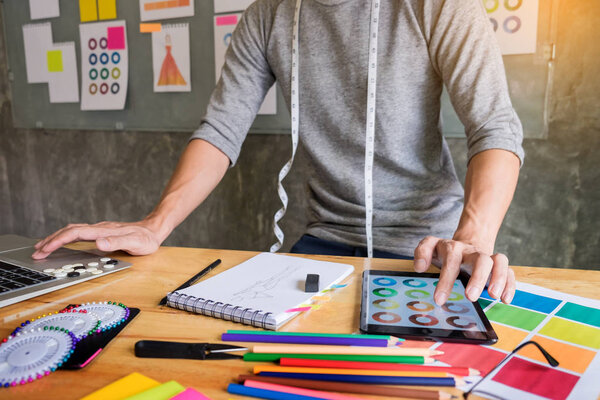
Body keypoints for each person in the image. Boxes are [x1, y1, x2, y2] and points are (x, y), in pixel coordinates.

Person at [32, 0, 523, 306]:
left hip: (424, 247)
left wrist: (473, 238)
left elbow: (494, 125)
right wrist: (155, 224)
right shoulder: (268, 13)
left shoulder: (441, 6)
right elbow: (222, 127)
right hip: (323, 239)